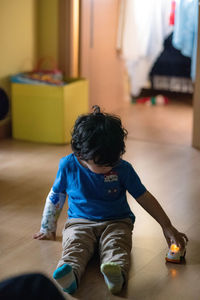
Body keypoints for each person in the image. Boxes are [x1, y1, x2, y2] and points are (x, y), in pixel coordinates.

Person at [33, 105, 188, 295]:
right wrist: (47, 227)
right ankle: (70, 273)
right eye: (103, 164)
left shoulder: (123, 168)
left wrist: (167, 226)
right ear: (81, 154)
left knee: (117, 245)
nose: (110, 167)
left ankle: (115, 273)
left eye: (114, 161)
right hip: (79, 222)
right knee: (74, 244)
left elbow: (144, 197)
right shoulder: (68, 165)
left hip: (117, 221)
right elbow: (56, 194)